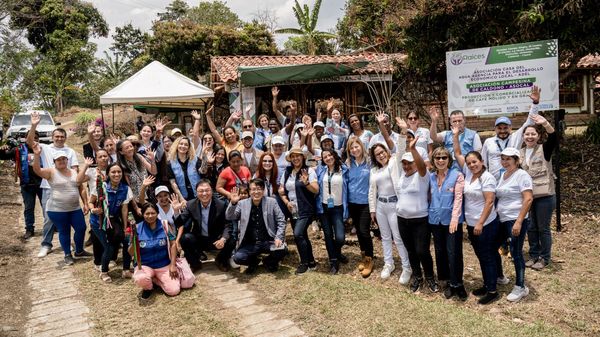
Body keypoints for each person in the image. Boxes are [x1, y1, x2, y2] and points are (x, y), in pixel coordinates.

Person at [453, 137, 501, 304]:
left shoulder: (487, 178)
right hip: (472, 224)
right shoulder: (468, 175)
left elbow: (489, 202)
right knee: (481, 256)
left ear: (482, 161)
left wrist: (480, 223)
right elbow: (457, 152)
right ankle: (487, 284)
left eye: (475, 162)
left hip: (485, 224)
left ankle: (493, 290)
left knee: (487, 256)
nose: (472, 165)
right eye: (469, 163)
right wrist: (455, 135)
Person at [26, 111, 80, 258]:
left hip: (67, 189)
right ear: (52, 137)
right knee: (48, 217)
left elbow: (75, 169)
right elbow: (30, 142)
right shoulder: (46, 148)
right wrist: (33, 125)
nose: (59, 139)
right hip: (49, 187)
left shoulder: (70, 151)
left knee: (67, 217)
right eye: (56, 136)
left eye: (62, 137)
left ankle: (66, 243)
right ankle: (46, 244)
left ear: (65, 138)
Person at [368, 112, 412, 283]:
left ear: (386, 152)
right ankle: (389, 263)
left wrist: (403, 131)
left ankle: (407, 267)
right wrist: (372, 209)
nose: (381, 155)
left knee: (398, 237)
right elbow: (372, 191)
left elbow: (400, 149)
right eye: (377, 154)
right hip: (380, 206)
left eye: (382, 152)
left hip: (394, 205)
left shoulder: (394, 163)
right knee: (385, 237)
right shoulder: (374, 171)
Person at [32, 143, 89, 265]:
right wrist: (37, 156)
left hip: (75, 208)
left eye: (64, 159)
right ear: (54, 162)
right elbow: (36, 170)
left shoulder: (74, 172)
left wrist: (85, 203)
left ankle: (79, 250)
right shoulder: (51, 172)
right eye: (59, 159)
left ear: (67, 160)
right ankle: (67, 254)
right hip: (57, 210)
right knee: (64, 231)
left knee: (81, 228)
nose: (62, 161)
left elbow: (82, 186)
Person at [395, 138, 439, 293]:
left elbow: (421, 166)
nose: (406, 166)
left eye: (410, 163)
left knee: (422, 251)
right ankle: (417, 276)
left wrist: (413, 149)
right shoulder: (402, 175)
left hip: (420, 220)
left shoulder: (422, 175)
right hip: (402, 220)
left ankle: (430, 277)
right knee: (411, 250)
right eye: (404, 163)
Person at [131, 203, 194, 299]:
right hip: (145, 264)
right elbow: (131, 253)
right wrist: (133, 241)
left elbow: (173, 245)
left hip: (164, 264)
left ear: (157, 213)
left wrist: (172, 265)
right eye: (147, 214)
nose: (150, 216)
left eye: (153, 213)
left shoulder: (165, 225)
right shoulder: (137, 228)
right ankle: (148, 288)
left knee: (174, 290)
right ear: (143, 215)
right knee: (141, 278)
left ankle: (155, 280)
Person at [84, 161, 133, 282]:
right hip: (98, 222)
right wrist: (93, 209)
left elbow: (124, 209)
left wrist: (125, 227)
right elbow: (91, 202)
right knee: (109, 247)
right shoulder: (101, 187)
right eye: (113, 172)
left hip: (114, 220)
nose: (116, 174)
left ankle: (126, 270)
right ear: (108, 174)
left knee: (127, 241)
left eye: (119, 172)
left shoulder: (125, 189)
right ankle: (104, 271)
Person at [428, 144, 466, 300]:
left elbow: (458, 199)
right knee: (440, 251)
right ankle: (445, 280)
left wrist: (454, 219)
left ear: (449, 159)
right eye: (438, 157)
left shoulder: (456, 175)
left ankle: (457, 284)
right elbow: (428, 197)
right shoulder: (430, 177)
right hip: (435, 221)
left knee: (454, 253)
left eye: (444, 157)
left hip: (452, 221)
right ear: (433, 160)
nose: (441, 160)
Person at [226, 179, 288, 274]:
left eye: (259, 189)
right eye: (253, 189)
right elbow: (230, 216)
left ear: (263, 190)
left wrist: (279, 237)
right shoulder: (242, 204)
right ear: (249, 191)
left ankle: (269, 262)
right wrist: (233, 203)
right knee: (238, 258)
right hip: (250, 243)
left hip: (268, 240)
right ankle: (253, 262)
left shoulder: (272, 202)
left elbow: (281, 220)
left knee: (282, 250)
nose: (256, 192)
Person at [496, 147, 533, 302]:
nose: (505, 162)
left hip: (516, 219)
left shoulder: (522, 175)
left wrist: (518, 222)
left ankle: (520, 286)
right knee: (495, 246)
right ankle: (500, 276)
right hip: (502, 219)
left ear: (517, 161)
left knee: (516, 252)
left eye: (508, 159)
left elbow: (528, 199)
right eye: (503, 158)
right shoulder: (502, 175)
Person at [521, 114, 557, 270]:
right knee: (531, 227)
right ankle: (534, 255)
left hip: (545, 196)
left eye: (533, 134)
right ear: (523, 136)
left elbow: (554, 138)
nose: (530, 137)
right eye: (527, 134)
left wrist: (546, 124)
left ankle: (544, 258)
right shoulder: (520, 153)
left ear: (538, 136)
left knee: (543, 228)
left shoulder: (544, 149)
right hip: (528, 197)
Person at [481, 86, 540, 180]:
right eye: (499, 128)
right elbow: (483, 162)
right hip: (493, 182)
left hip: (513, 180)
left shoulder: (516, 137)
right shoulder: (489, 142)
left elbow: (530, 122)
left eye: (505, 128)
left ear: (510, 128)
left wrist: (535, 103)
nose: (502, 130)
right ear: (495, 129)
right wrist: (484, 178)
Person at [174, 180, 234, 271]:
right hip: (199, 240)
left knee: (232, 238)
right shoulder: (191, 204)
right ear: (196, 192)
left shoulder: (221, 204)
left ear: (212, 191)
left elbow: (228, 225)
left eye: (207, 190)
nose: (204, 193)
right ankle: (195, 263)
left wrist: (223, 239)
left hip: (216, 239)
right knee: (185, 238)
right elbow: (180, 222)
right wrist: (175, 211)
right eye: (201, 191)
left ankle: (221, 260)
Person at [279, 148, 319, 274]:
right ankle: (311, 261)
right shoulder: (287, 172)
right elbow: (281, 190)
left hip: (305, 209)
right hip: (293, 209)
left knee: (297, 234)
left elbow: (316, 190)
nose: (296, 158)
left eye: (298, 156)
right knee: (302, 235)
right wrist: (286, 202)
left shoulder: (309, 170)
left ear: (303, 157)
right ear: (290, 158)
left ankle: (304, 263)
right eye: (293, 156)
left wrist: (306, 183)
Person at [0, 134, 42, 240]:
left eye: (35, 138)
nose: (33, 140)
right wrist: (2, 149)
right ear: (26, 139)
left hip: (43, 183)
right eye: (31, 138)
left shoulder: (44, 149)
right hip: (26, 184)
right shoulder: (18, 150)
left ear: (38, 139)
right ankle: (29, 229)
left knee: (47, 207)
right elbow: (3, 156)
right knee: (28, 208)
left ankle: (53, 226)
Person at [315, 149, 349, 274]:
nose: (328, 158)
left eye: (330, 155)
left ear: (334, 156)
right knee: (328, 235)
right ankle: (334, 261)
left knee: (340, 237)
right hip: (323, 207)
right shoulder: (320, 170)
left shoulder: (343, 170)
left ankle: (337, 252)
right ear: (322, 160)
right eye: (325, 157)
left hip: (338, 207)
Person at [345, 137, 374, 278]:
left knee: (364, 230)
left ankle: (369, 259)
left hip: (365, 203)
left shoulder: (369, 163)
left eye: (357, 147)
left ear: (362, 147)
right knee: (359, 232)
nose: (355, 150)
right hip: (352, 203)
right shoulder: (348, 164)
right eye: (352, 148)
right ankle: (364, 255)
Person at [168, 136, 201, 206]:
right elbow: (173, 183)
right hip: (183, 197)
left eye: (186, 145)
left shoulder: (195, 159)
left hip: (198, 195)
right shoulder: (170, 163)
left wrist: (204, 156)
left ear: (189, 147)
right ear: (177, 145)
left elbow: (203, 173)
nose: (183, 146)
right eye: (181, 144)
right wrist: (181, 199)